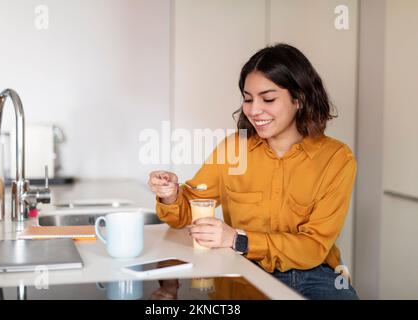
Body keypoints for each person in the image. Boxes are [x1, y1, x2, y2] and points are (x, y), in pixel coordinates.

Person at [148, 43, 358, 300]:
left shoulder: (336, 158)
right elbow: (186, 212)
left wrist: (237, 238)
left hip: (314, 274)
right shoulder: (234, 149)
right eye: (248, 99)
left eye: (268, 99)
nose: (253, 110)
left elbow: (313, 247)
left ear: (299, 98)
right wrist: (170, 195)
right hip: (241, 267)